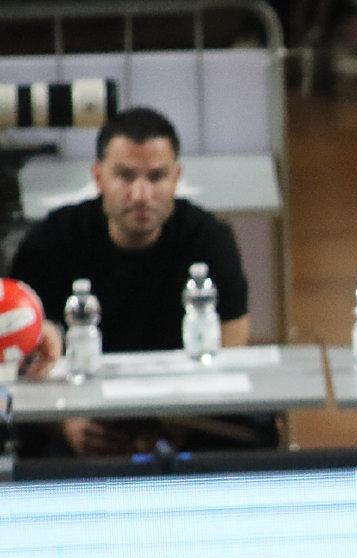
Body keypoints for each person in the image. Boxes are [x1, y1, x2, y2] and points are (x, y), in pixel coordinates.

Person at [9, 106, 253, 455]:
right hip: (78, 407)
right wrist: (64, 420)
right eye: (125, 176)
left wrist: (180, 422)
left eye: (156, 177)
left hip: (184, 411)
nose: (141, 194)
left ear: (176, 177)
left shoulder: (209, 239)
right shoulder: (52, 240)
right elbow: (23, 358)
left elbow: (233, 339)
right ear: (98, 177)